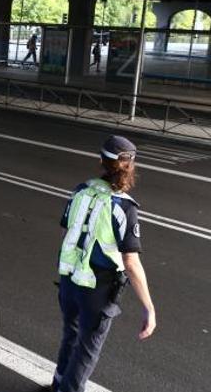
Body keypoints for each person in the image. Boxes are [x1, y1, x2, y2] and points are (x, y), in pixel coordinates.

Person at [48, 135, 156, 392]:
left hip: (69, 280)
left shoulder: (80, 191)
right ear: (131, 166)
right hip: (97, 290)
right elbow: (131, 261)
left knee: (71, 336)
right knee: (87, 350)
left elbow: (67, 233)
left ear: (101, 161)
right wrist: (149, 308)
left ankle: (58, 384)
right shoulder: (124, 207)